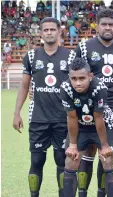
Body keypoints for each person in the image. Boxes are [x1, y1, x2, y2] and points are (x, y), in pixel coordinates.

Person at [12, 17, 76, 197]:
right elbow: (24, 86)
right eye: (45, 30)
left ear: (59, 32)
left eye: (52, 29)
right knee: (37, 160)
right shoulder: (31, 56)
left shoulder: (70, 56)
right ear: (41, 33)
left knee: (61, 160)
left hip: (63, 118)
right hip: (38, 118)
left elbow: (79, 83)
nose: (49, 32)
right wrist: (17, 112)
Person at [73, 8, 113, 197]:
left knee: (106, 155)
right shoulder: (84, 47)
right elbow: (74, 76)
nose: (107, 28)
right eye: (104, 24)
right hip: (86, 108)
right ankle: (82, 192)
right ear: (97, 26)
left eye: (111, 25)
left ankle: (101, 193)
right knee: (85, 152)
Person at [60, 58, 113, 197]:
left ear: (90, 76)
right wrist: (73, 144)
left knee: (107, 159)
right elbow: (72, 117)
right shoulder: (65, 88)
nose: (78, 82)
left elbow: (99, 118)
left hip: (103, 124)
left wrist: (104, 146)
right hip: (80, 126)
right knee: (70, 160)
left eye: (82, 78)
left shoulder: (100, 87)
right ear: (69, 77)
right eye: (74, 78)